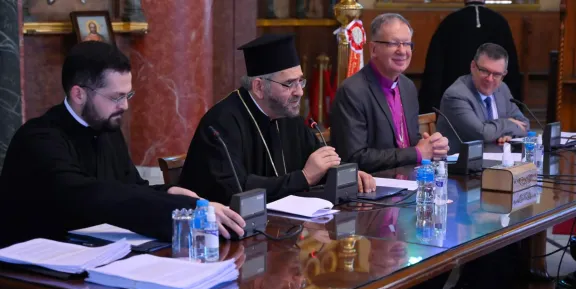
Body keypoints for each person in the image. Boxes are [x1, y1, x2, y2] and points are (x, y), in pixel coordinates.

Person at [0, 41, 245, 248]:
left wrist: (168, 192)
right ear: (78, 94)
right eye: (116, 97)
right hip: (32, 281)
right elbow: (93, 197)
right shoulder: (38, 140)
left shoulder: (106, 128)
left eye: (127, 95)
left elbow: (131, 187)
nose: (124, 106)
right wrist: (184, 207)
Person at [178, 34, 375, 204]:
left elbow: (319, 164)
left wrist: (346, 176)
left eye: (300, 81)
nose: (299, 92)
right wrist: (303, 178)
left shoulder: (289, 115)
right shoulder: (221, 124)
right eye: (289, 84)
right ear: (259, 87)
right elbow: (235, 190)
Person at [330, 13, 449, 173]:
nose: (402, 51)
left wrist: (432, 146)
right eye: (393, 44)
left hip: (409, 181)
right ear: (373, 49)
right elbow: (354, 157)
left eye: (407, 44)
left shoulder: (408, 87)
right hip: (373, 187)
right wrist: (416, 153)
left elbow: (410, 142)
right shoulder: (352, 91)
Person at [418, 0, 521, 114]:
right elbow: (512, 71)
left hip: (454, 103)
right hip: (488, 102)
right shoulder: (500, 22)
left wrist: (430, 107)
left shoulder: (450, 22)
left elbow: (434, 70)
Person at [437, 43, 530, 154]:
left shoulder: (502, 89)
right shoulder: (456, 95)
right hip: (462, 166)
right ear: (473, 66)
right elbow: (482, 134)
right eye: (484, 71)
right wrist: (507, 123)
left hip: (496, 162)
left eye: (496, 74)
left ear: (504, 74)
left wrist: (508, 134)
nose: (490, 79)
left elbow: (524, 124)